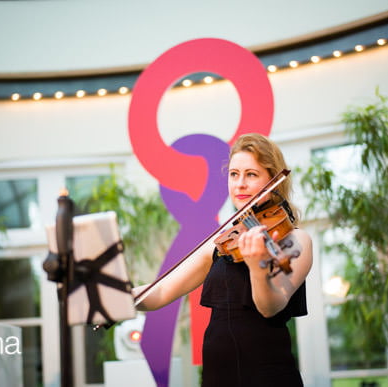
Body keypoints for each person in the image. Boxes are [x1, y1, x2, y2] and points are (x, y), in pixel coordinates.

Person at [134, 133, 313, 387]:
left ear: (273, 180)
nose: (239, 184)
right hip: (218, 377)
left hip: (267, 376)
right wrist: (118, 299)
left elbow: (270, 306)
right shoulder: (222, 242)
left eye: (251, 174)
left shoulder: (296, 240)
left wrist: (258, 267)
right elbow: (161, 291)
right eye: (234, 174)